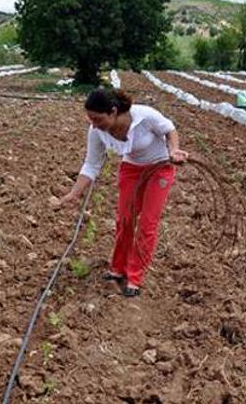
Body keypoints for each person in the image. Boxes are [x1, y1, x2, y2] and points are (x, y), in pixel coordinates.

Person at [60, 88, 189, 297]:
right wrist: (73, 194)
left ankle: (135, 276)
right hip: (131, 170)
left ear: (113, 112)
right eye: (90, 119)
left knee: (148, 223)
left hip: (159, 168)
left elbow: (169, 129)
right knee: (125, 220)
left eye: (97, 118)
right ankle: (118, 269)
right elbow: (91, 165)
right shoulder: (97, 131)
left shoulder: (145, 116)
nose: (93, 124)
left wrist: (174, 150)